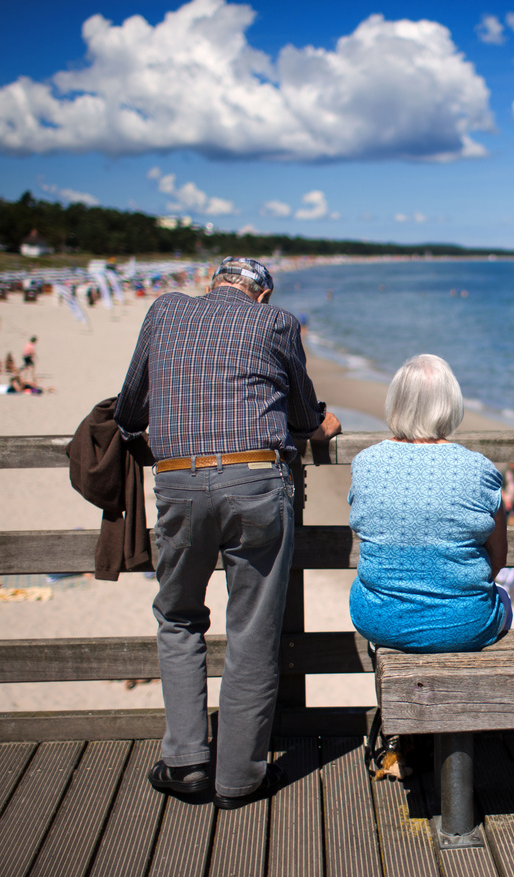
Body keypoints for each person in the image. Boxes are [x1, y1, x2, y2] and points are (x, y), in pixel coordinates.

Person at [116, 257, 341, 810]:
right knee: (253, 630)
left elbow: (129, 409)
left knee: (178, 616)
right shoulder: (277, 322)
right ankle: (239, 779)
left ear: (212, 284)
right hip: (257, 481)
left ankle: (187, 762)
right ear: (261, 296)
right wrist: (321, 425)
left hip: (179, 482)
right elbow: (303, 412)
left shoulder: (165, 309)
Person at [347, 354, 511, 652]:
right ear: (451, 404)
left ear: (396, 402)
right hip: (464, 623)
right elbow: (497, 559)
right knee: (505, 602)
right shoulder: (478, 469)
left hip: (376, 619)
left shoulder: (366, 463)